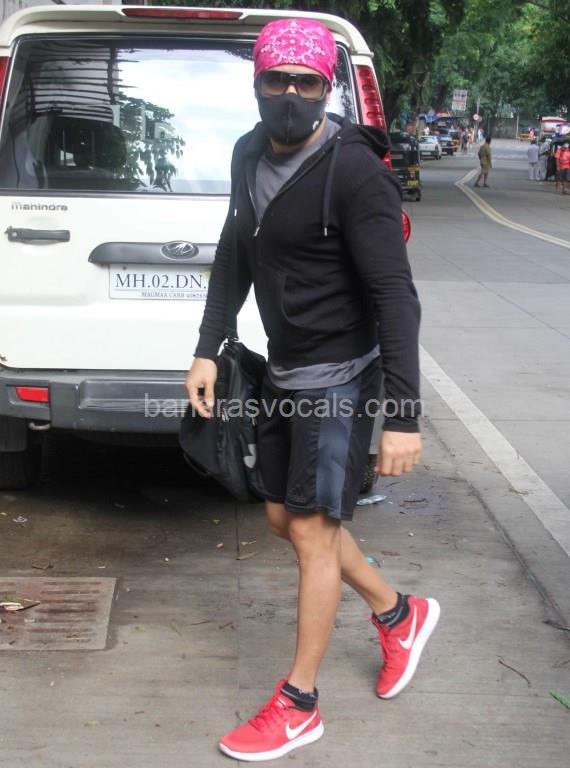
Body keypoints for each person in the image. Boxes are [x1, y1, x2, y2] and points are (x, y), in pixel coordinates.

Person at [185, 18, 440, 763]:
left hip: (342, 378)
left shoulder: (356, 172)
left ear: (327, 89)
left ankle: (299, 703)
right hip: (285, 368)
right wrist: (207, 347)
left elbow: (396, 297)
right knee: (282, 518)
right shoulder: (248, 153)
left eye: (307, 83)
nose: (291, 96)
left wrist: (402, 415)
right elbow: (236, 249)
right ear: (257, 84)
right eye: (278, 80)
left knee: (312, 532)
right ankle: (398, 613)